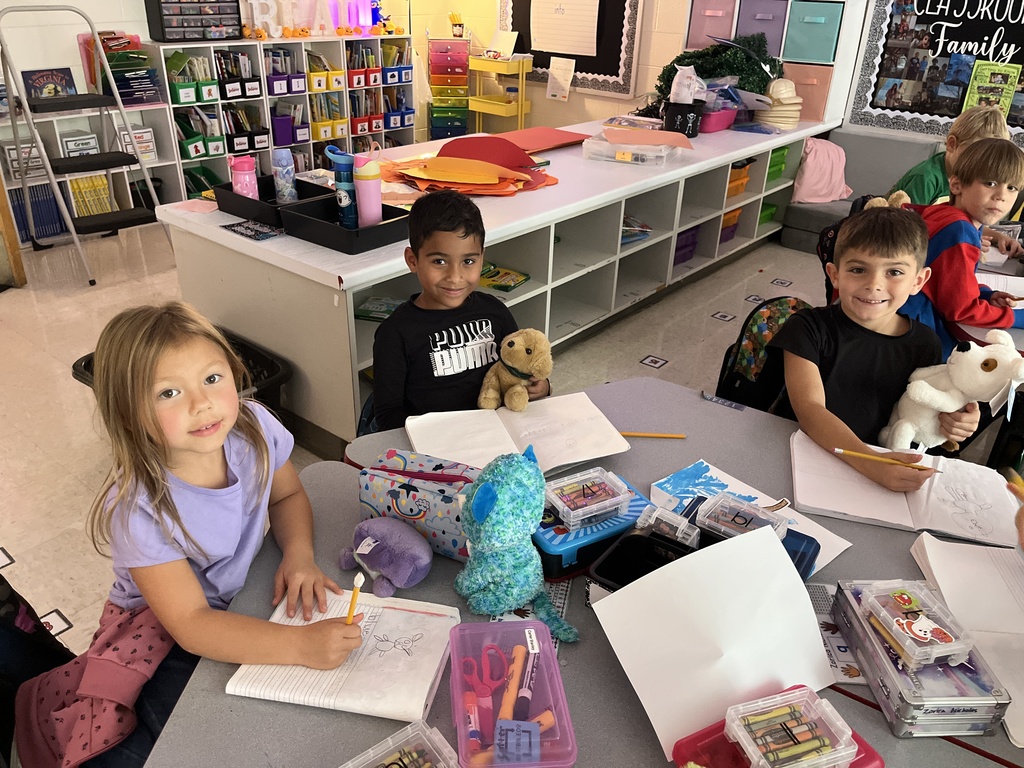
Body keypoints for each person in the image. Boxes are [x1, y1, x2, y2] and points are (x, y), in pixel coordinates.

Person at [14, 302, 363, 768]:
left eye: (212, 379)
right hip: (158, 626)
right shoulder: (137, 508)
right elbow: (192, 624)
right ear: (129, 411)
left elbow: (287, 497)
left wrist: (298, 555)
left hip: (235, 599)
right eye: (169, 392)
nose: (201, 403)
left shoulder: (255, 428)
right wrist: (300, 646)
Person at [769, 207, 979, 492]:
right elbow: (810, 410)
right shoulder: (807, 328)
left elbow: (919, 412)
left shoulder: (925, 344)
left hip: (874, 473)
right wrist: (870, 463)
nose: (874, 285)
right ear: (835, 275)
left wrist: (955, 421)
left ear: (918, 281)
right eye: (858, 269)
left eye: (894, 272)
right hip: (799, 461)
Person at [372, 190, 550, 431]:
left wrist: (542, 386)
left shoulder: (494, 311)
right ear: (413, 260)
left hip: (500, 431)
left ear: (482, 258)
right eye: (439, 261)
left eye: (468, 261)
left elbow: (519, 365)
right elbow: (388, 416)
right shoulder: (395, 334)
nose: (455, 278)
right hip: (435, 446)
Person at [901, 137, 1024, 359]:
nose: (1001, 196)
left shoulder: (953, 217)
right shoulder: (960, 230)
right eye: (990, 183)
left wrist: (986, 294)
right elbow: (961, 309)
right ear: (956, 185)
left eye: (1012, 187)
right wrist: (1016, 317)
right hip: (913, 328)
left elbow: (951, 281)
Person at [888, 105, 1022, 257]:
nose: (983, 165)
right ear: (952, 144)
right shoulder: (926, 178)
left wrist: (998, 238)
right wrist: (960, 239)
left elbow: (965, 220)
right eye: (975, 154)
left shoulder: (973, 182)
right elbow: (906, 231)